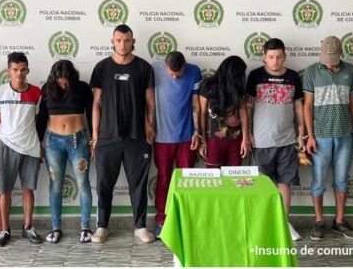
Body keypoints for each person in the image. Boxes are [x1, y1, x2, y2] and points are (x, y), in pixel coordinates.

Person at [90, 24, 157, 244]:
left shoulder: (144, 67)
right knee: (103, 185)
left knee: (138, 183)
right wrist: (96, 134)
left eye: (127, 40)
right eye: (118, 40)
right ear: (112, 41)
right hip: (108, 137)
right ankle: (102, 226)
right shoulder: (101, 68)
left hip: (137, 136)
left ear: (133, 41)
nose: (122, 44)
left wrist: (150, 125)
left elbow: (150, 103)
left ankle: (140, 227)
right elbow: (96, 104)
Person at [302, 36, 353, 241]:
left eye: (333, 57)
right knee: (318, 181)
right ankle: (319, 221)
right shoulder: (311, 72)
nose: (330, 61)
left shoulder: (350, 70)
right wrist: (310, 135)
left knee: (342, 181)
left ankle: (339, 221)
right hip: (320, 136)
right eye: (326, 57)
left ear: (341, 54)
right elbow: (307, 106)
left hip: (345, 134)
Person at [246, 38, 304, 241]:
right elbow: (248, 107)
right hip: (261, 141)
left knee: (284, 183)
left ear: (285, 56)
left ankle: (283, 223)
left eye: (279, 57)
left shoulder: (293, 76)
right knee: (261, 184)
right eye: (271, 57)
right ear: (264, 57)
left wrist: (301, 132)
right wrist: (248, 134)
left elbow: (298, 107)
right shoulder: (255, 76)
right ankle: (261, 223)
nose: (275, 61)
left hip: (287, 139)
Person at [0, 52, 44, 246]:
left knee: (28, 189)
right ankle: (5, 230)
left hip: (30, 147)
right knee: (4, 191)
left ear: (28, 70)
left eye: (22, 70)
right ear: (8, 70)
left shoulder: (37, 92)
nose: (19, 73)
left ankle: (28, 227)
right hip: (6, 146)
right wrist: (7, 138)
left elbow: (36, 121)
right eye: (15, 70)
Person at [36, 60, 94, 244]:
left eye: (66, 81)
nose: (63, 84)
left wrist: (94, 138)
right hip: (53, 142)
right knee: (56, 186)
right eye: (60, 81)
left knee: (83, 184)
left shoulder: (83, 88)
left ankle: (85, 227)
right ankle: (56, 227)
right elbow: (42, 116)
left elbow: (92, 114)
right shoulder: (47, 88)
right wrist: (39, 142)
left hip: (78, 140)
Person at [152, 51, 202, 238]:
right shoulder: (154, 69)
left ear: (185, 66)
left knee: (187, 182)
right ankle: (161, 220)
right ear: (165, 65)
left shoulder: (194, 71)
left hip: (187, 137)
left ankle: (186, 220)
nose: (174, 76)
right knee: (163, 179)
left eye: (178, 74)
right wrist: (149, 126)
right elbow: (148, 100)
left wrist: (197, 132)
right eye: (171, 73)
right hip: (162, 138)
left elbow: (196, 103)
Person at [198, 55, 251, 168]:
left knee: (233, 178)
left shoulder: (238, 87)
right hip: (213, 140)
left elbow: (243, 113)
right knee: (213, 178)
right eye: (241, 74)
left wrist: (245, 140)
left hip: (235, 140)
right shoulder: (207, 85)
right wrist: (202, 141)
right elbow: (202, 115)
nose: (242, 77)